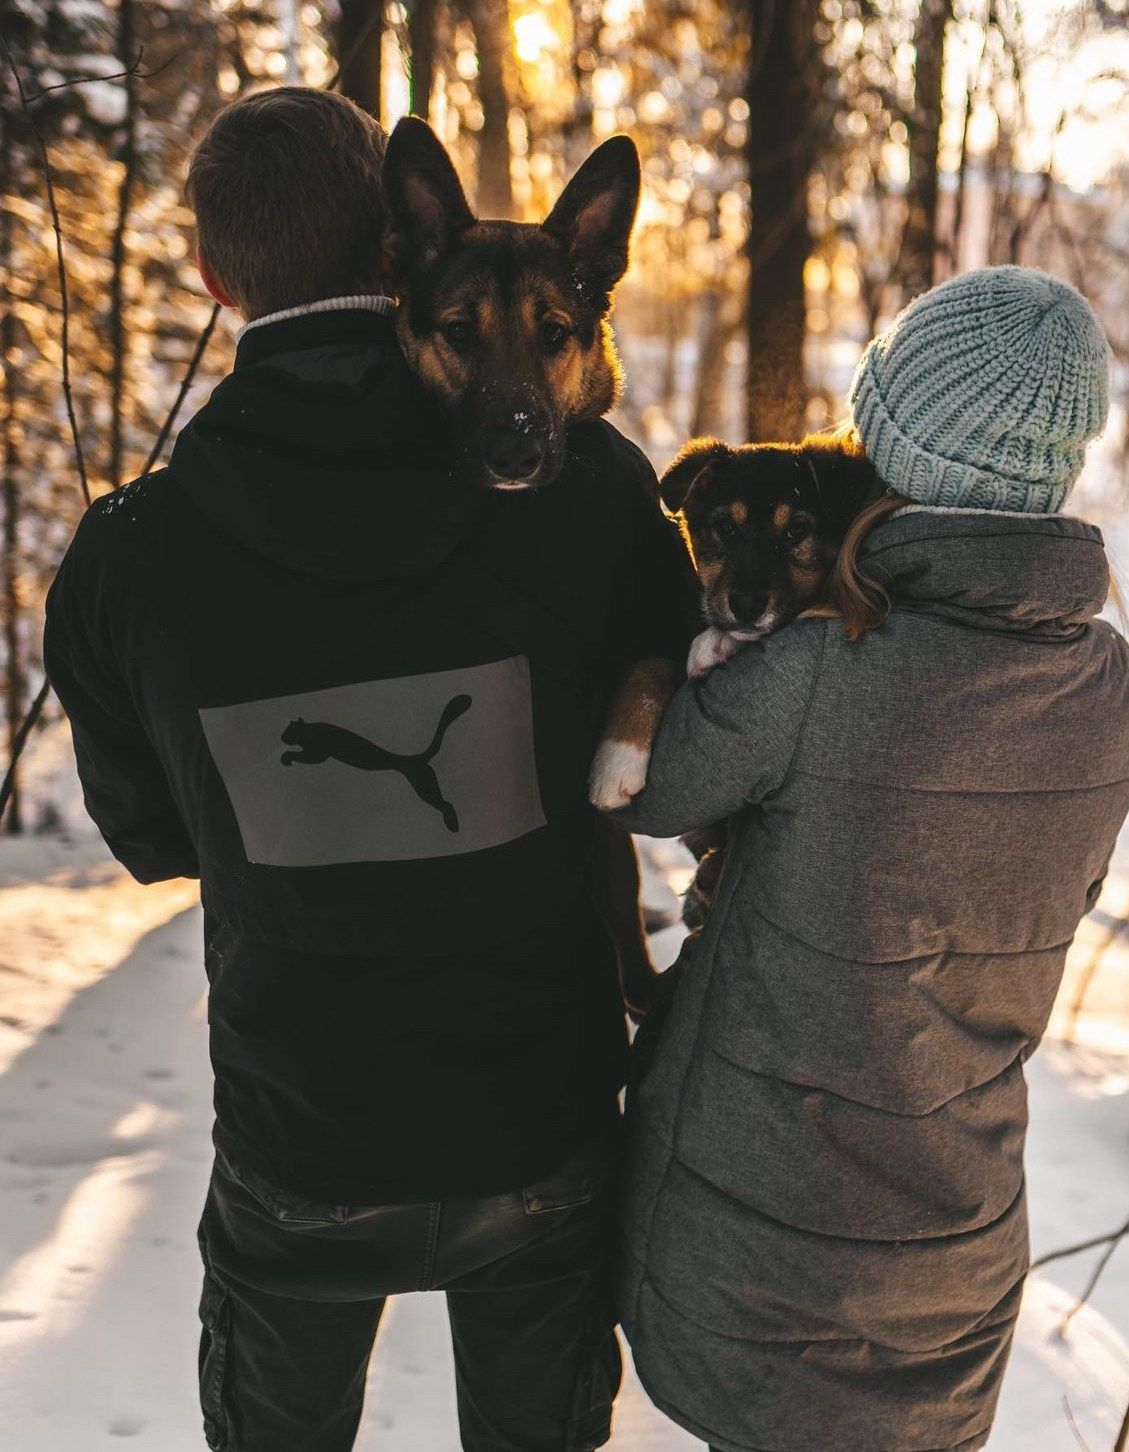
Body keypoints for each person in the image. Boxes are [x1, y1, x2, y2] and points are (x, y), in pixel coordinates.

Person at [43, 87, 696, 1452]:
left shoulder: (127, 555)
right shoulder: (591, 492)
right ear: (390, 249)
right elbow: (683, 761)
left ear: (212, 273)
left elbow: (156, 841)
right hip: (542, 1131)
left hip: (305, 1145)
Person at [609, 267, 1129, 1452]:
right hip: (960, 1234)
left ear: (885, 446)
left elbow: (645, 794)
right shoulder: (1113, 688)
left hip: (768, 1244)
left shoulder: (818, 669)